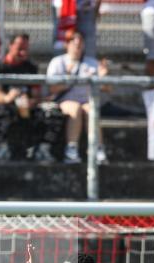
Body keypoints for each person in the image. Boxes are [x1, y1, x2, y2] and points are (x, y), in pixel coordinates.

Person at [0, 33, 64, 163]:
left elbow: (36, 94)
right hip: (7, 106)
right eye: (20, 48)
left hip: (27, 107)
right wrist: (8, 98)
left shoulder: (31, 67)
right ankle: (2, 149)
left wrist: (31, 101)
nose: (23, 52)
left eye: (26, 49)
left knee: (52, 111)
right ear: (10, 46)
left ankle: (43, 150)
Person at [46, 31, 109, 165]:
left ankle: (98, 149)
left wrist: (103, 77)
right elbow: (52, 89)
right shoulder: (58, 62)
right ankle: (71, 150)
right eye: (74, 43)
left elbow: (107, 89)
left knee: (91, 110)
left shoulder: (92, 63)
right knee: (75, 108)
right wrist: (69, 78)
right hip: (65, 101)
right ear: (67, 45)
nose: (77, 47)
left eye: (80, 44)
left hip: (86, 101)